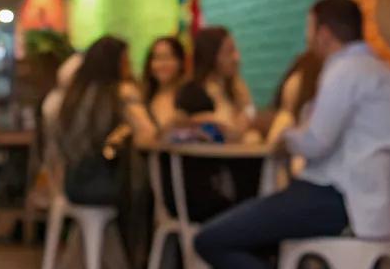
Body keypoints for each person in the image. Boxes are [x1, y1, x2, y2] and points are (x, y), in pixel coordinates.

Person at [194, 0, 390, 269]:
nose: (308, 40)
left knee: (212, 238)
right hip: (379, 207)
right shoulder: (388, 75)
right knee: (260, 235)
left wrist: (283, 137)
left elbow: (315, 142)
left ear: (324, 34)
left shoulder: (344, 71)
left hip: (337, 198)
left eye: (309, 30)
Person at [54, 36, 158, 205]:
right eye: (126, 61)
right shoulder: (122, 92)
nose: (130, 66)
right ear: (116, 63)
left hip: (72, 183)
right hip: (106, 185)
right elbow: (148, 136)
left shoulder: (76, 94)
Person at [175, 26, 257, 140]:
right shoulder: (193, 93)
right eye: (229, 52)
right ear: (210, 56)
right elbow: (231, 132)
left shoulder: (233, 86)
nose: (236, 58)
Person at [142, 35, 188, 132]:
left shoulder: (191, 97)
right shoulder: (142, 97)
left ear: (181, 62)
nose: (162, 64)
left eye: (168, 58)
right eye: (157, 58)